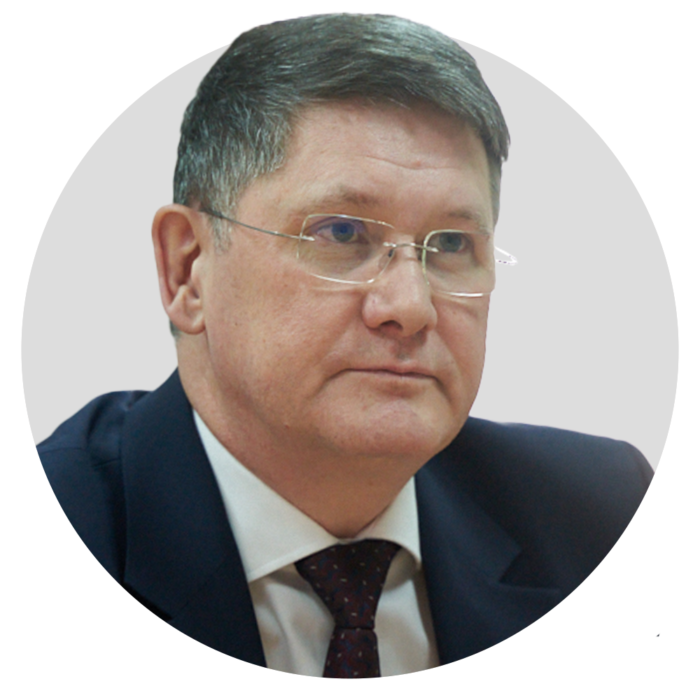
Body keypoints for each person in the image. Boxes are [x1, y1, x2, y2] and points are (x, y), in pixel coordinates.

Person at [37, 14, 652, 677]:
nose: (410, 308)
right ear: (188, 269)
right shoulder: (70, 518)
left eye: (451, 244)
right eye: (340, 233)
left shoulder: (602, 516)